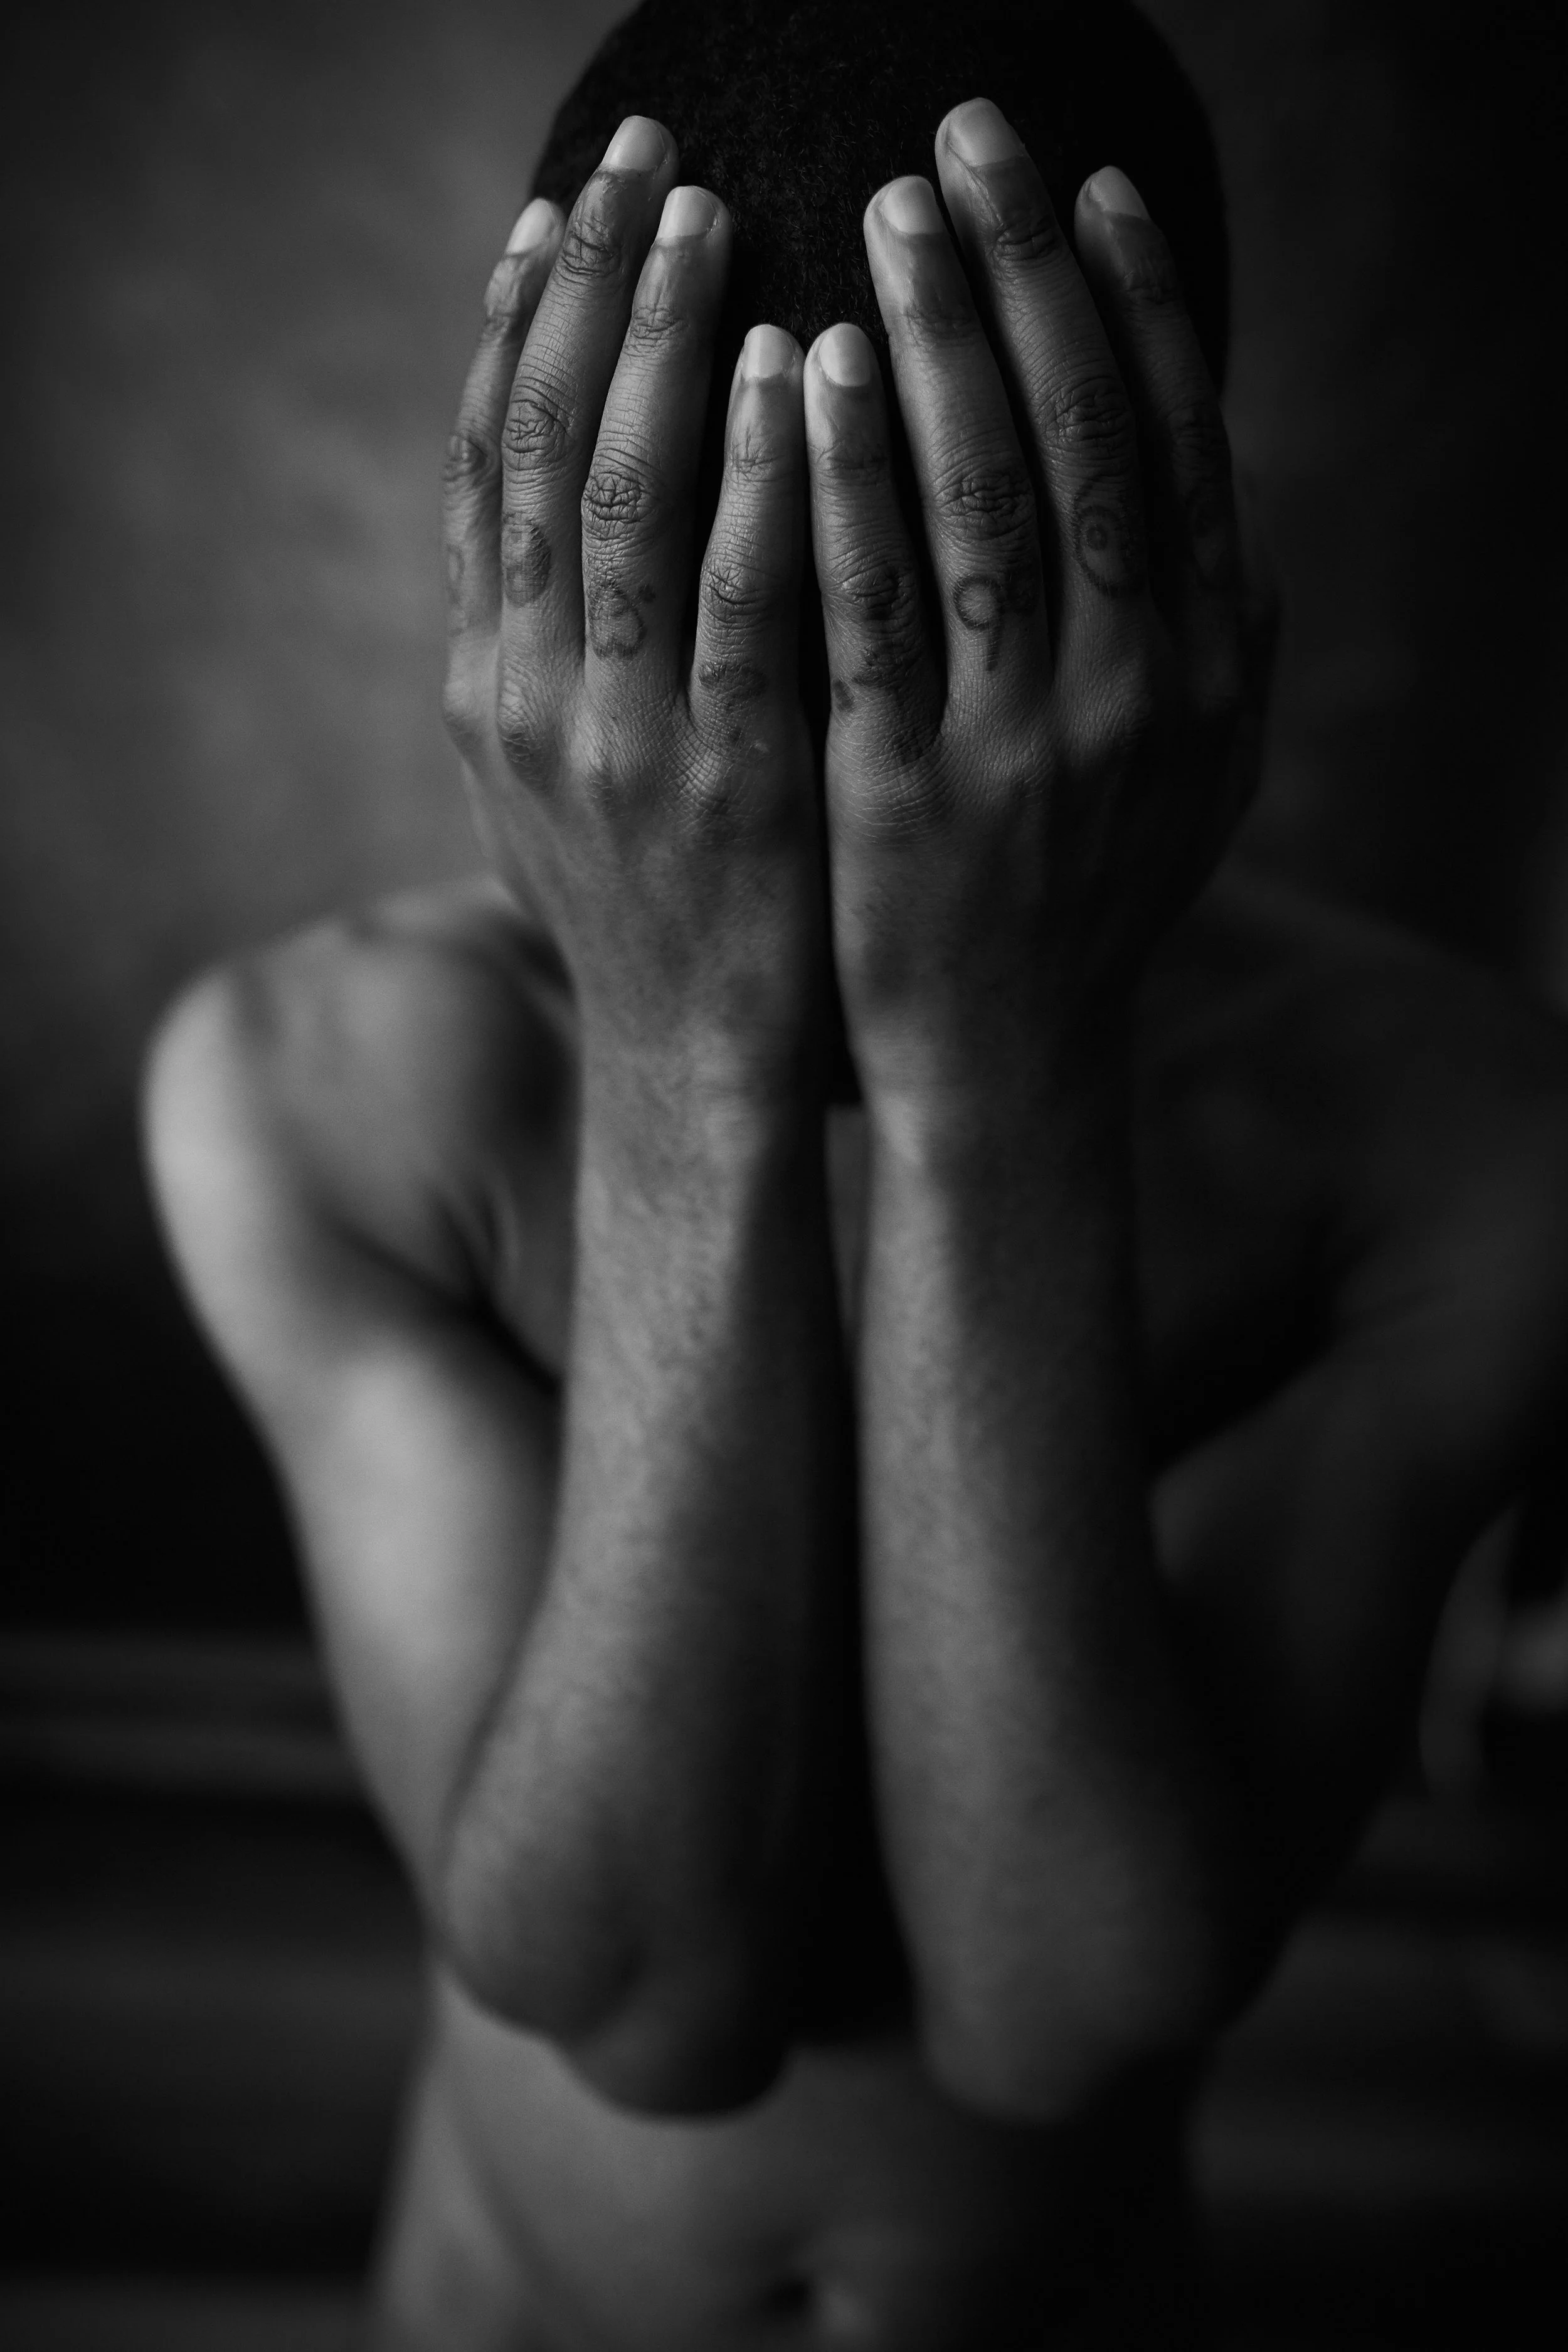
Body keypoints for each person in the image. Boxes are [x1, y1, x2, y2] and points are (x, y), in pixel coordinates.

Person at [142, 2, 1568, 2342]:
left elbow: (1065, 2001)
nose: (820, 775)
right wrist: (684, 1063)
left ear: (1179, 597)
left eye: (931, 634)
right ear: (534, 575)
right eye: (708, 637)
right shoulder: (326, 1082)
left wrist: (991, 1076)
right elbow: (628, 1983)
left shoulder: (1439, 1137)